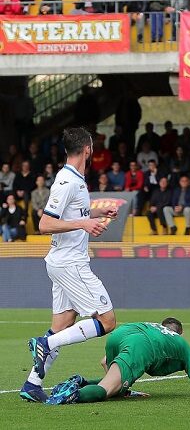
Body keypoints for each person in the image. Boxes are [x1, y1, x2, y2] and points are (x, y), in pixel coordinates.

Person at [22, 128, 119, 403]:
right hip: (70, 263)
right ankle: (44, 344)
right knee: (107, 321)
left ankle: (32, 384)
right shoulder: (67, 181)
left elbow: (74, 212)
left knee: (63, 325)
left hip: (62, 262)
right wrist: (84, 223)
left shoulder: (75, 179)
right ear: (88, 149)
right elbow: (45, 224)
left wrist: (97, 213)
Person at [45, 318, 190, 405]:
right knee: (108, 389)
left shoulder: (153, 326)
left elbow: (105, 362)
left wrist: (123, 387)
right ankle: (70, 395)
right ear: (181, 333)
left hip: (119, 335)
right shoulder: (182, 344)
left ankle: (81, 382)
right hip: (140, 345)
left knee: (116, 386)